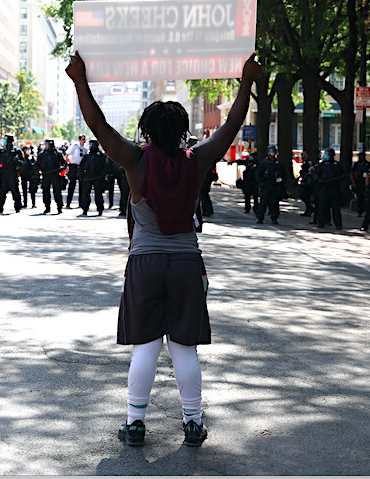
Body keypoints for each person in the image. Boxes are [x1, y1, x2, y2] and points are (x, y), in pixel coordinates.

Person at [66, 49, 261, 448]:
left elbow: (99, 126)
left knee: (147, 346)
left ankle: (135, 424)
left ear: (148, 129)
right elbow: (233, 123)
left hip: (145, 263)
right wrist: (247, 80)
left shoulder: (135, 161)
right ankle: (192, 423)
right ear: (182, 130)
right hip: (187, 262)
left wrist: (79, 80)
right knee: (184, 347)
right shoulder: (200, 159)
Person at [0, 134, 23, 213]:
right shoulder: (1, 151)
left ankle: (18, 207)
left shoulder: (17, 151)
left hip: (13, 174)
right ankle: (0, 208)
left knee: (15, 192)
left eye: (5, 140)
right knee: (1, 193)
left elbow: (23, 163)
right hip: (4, 174)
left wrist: (17, 162)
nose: (4, 141)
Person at [314, 148, 346, 229]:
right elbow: (315, 174)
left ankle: (338, 224)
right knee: (322, 206)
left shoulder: (337, 165)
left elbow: (343, 175)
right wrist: (319, 180)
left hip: (334, 189)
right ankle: (321, 222)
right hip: (324, 188)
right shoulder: (321, 165)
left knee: (335, 207)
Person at [255, 145, 286, 224]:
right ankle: (260, 217)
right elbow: (258, 174)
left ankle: (274, 218)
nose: (272, 154)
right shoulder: (264, 163)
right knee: (263, 203)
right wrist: (261, 183)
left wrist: (281, 182)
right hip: (266, 185)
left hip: (275, 186)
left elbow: (283, 174)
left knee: (274, 203)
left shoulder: (278, 163)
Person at [37, 138, 67, 214]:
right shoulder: (42, 154)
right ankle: (47, 207)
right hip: (46, 175)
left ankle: (59, 207)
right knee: (45, 192)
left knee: (57, 192)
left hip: (55, 175)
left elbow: (64, 163)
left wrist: (62, 168)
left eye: (47, 145)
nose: (46, 146)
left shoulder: (58, 154)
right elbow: (37, 165)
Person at [79, 139, 107, 215]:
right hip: (88, 176)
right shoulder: (87, 155)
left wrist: (103, 176)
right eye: (91, 145)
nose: (92, 147)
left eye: (93, 145)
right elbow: (81, 166)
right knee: (85, 194)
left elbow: (105, 167)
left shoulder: (101, 155)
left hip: (98, 176)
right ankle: (85, 209)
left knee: (98, 194)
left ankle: (100, 209)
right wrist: (81, 176)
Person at [66, 135, 88, 208]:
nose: (84, 141)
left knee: (82, 186)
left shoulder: (85, 149)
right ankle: (68, 203)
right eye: (83, 139)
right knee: (72, 185)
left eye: (85, 139)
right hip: (73, 167)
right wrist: (66, 165)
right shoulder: (75, 146)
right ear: (79, 140)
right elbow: (67, 154)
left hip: (81, 167)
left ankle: (81, 203)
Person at [350, 151, 370, 217]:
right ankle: (360, 211)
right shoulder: (356, 164)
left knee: (368, 197)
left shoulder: (368, 164)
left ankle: (369, 211)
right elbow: (352, 173)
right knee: (359, 197)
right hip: (358, 182)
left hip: (366, 182)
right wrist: (353, 182)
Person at [298, 150, 316, 217]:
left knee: (304, 195)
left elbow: (310, 171)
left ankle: (310, 208)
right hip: (305, 181)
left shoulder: (309, 162)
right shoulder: (305, 162)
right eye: (302, 154)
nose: (302, 156)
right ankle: (309, 209)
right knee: (304, 196)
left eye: (304, 154)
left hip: (309, 182)